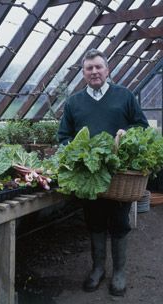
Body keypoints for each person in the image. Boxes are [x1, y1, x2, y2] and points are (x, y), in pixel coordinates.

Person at [58, 49, 149, 296]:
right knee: (94, 221)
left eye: (98, 67)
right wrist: (73, 151)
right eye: (89, 68)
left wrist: (126, 136)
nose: (94, 72)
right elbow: (63, 136)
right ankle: (98, 269)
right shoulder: (74, 102)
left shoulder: (124, 96)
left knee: (119, 222)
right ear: (84, 73)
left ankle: (119, 272)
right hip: (89, 176)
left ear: (107, 70)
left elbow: (142, 126)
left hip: (119, 174)